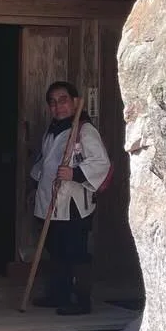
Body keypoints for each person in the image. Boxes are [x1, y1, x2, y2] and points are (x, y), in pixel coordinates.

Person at [30, 80, 109, 316]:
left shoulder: (84, 130)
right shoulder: (52, 131)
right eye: (53, 102)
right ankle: (59, 294)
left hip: (73, 203)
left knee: (75, 251)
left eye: (63, 100)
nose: (58, 106)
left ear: (75, 102)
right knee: (56, 250)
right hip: (50, 200)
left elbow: (101, 162)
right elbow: (44, 162)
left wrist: (74, 173)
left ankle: (81, 300)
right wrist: (33, 185)